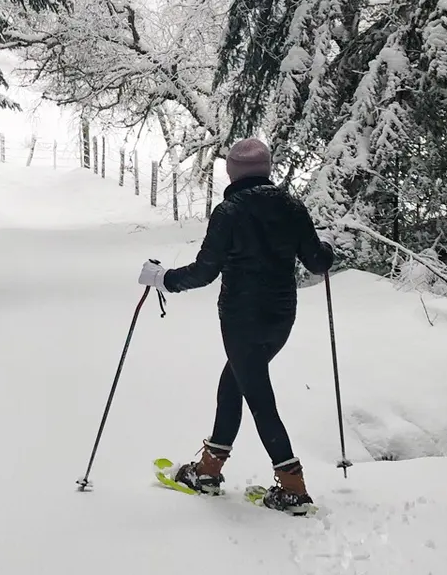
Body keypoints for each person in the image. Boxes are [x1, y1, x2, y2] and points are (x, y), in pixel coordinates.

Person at [139, 138, 333, 513]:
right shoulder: (292, 206)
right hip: (280, 317)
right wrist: (325, 249)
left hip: (241, 319)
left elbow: (205, 271)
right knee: (234, 384)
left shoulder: (229, 211)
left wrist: (164, 278)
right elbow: (316, 262)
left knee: (257, 395)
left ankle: (293, 486)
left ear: (232, 172)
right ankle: (208, 470)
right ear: (267, 169)